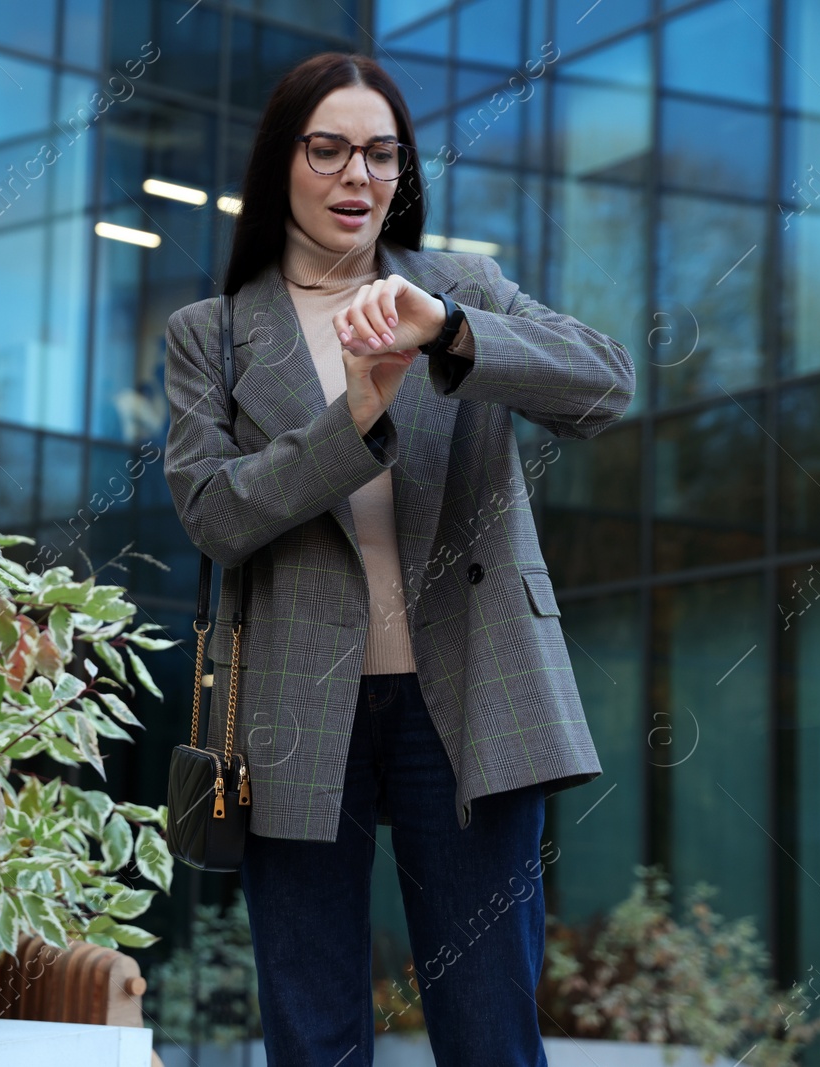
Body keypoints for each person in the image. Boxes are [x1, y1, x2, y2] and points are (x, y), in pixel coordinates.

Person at [160, 51, 635, 1067]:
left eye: (380, 153)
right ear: (279, 164)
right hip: (293, 707)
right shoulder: (215, 334)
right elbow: (212, 512)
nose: (356, 177)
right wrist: (354, 416)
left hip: (468, 688)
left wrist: (455, 333)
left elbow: (605, 386)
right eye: (326, 149)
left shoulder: (457, 286)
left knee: (489, 1031)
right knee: (315, 1033)